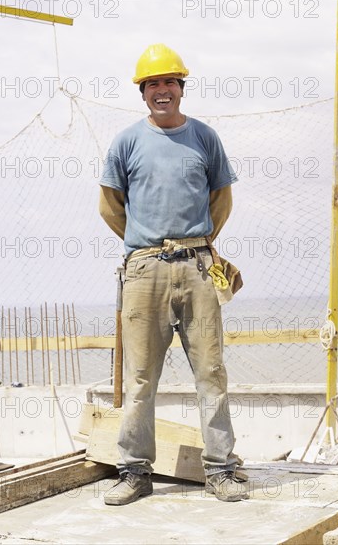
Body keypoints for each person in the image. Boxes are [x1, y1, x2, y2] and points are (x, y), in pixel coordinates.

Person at [99, 44, 248, 505]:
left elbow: (221, 198)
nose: (161, 91)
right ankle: (135, 472)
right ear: (143, 93)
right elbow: (110, 206)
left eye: (169, 83)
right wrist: (146, 245)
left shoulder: (204, 138)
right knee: (141, 377)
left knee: (211, 372)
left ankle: (221, 470)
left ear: (181, 89)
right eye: (153, 84)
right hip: (144, 272)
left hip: (199, 268)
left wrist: (195, 243)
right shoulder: (126, 142)